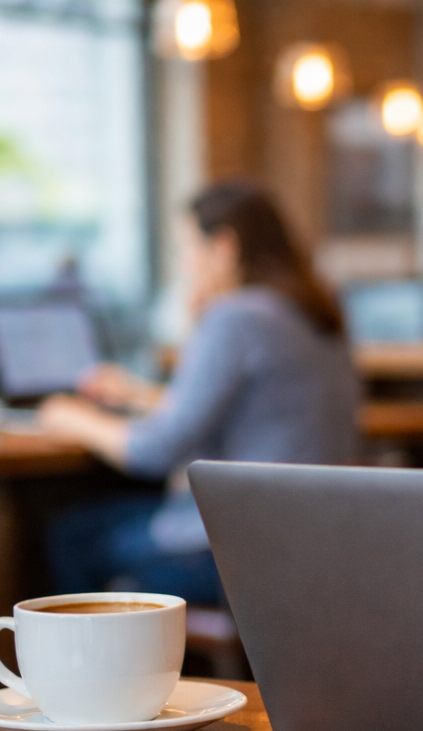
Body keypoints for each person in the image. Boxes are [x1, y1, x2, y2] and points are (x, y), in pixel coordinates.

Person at [38, 181, 360, 606]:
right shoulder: (313, 313)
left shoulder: (235, 316)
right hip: (314, 542)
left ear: (224, 246)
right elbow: (252, 411)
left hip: (236, 550)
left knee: (72, 534)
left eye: (186, 248)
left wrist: (71, 417)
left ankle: (94, 671)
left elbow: (155, 451)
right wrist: (138, 394)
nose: (184, 264)